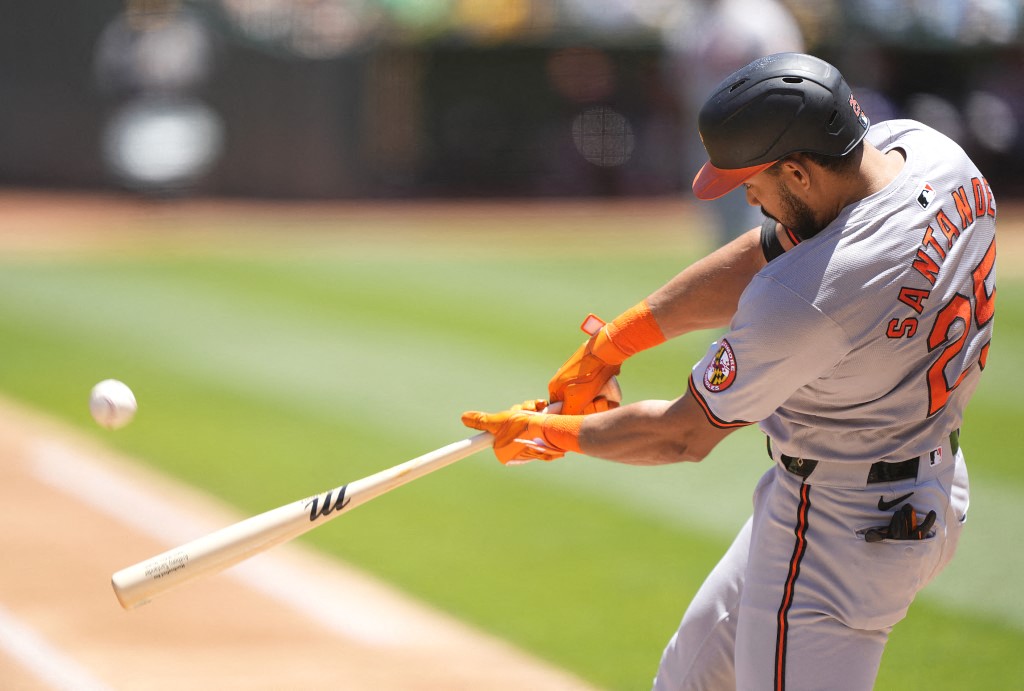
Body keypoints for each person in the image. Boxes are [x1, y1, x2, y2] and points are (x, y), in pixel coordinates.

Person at [462, 52, 996, 690]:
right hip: (914, 485)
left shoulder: (809, 298)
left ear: (797, 171)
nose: (745, 195)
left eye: (752, 181)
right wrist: (610, 344)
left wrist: (549, 433)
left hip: (836, 534)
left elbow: (682, 436)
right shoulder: (929, 153)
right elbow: (771, 248)